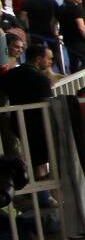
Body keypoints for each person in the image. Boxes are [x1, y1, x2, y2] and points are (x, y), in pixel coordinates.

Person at [1, 42, 55, 177]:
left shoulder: (10, 74)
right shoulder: (41, 79)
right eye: (48, 59)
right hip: (39, 124)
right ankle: (41, 193)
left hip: (17, 122)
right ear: (38, 59)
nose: (50, 62)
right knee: (41, 161)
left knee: (30, 157)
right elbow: (47, 104)